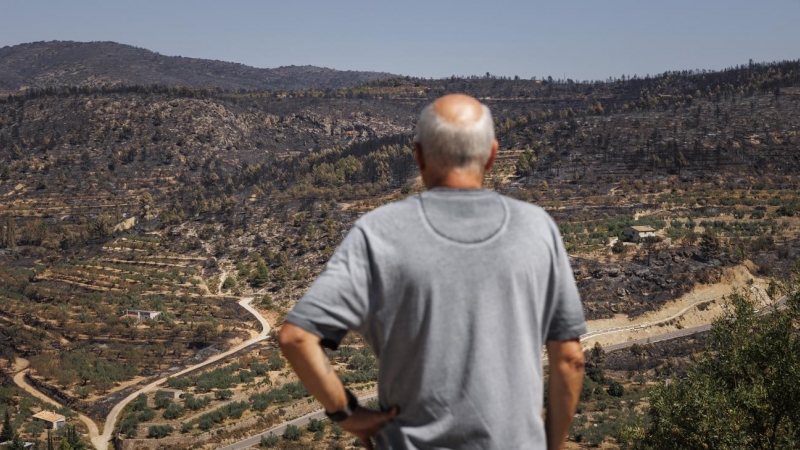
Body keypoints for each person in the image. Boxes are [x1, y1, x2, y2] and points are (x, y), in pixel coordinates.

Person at [279, 94, 586, 450]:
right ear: (491, 155)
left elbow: (296, 338)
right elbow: (570, 359)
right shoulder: (537, 229)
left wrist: (347, 413)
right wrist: (552, 444)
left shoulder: (378, 232)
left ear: (419, 155)